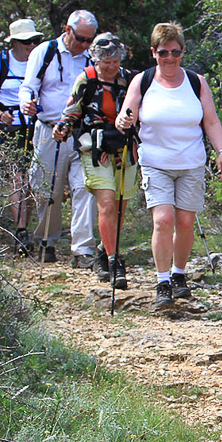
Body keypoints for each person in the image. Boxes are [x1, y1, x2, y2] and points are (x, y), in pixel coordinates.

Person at [116, 21, 222, 310]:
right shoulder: (142, 81)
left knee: (185, 222)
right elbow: (126, 113)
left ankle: (180, 275)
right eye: (163, 52)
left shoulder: (196, 82)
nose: (169, 58)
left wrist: (221, 152)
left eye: (175, 52)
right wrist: (123, 120)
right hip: (155, 162)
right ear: (153, 52)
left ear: (182, 51)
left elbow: (211, 120)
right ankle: (162, 281)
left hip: (191, 162)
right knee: (163, 220)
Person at [19, 9, 98, 265]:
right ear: (67, 30)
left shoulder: (91, 57)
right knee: (47, 189)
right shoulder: (45, 52)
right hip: (48, 129)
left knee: (85, 188)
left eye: (89, 40)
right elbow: (28, 87)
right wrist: (26, 104)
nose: (85, 44)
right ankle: (46, 240)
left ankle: (83, 249)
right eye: (81, 39)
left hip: (82, 132)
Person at [58, 33, 136, 289]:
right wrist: (62, 128)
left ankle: (104, 250)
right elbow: (73, 109)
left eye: (115, 60)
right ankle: (114, 261)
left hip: (125, 148)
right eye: (106, 62)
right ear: (96, 60)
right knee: (105, 202)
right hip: (95, 148)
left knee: (120, 205)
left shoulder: (130, 79)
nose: (111, 66)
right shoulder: (87, 79)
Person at [0, 18, 43, 252]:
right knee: (16, 177)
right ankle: (21, 231)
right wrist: (0, 115)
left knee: (30, 178)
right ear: (15, 42)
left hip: (36, 126)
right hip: (10, 128)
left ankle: (26, 226)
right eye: (27, 41)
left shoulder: (40, 62)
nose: (31, 45)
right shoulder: (0, 62)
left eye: (35, 41)